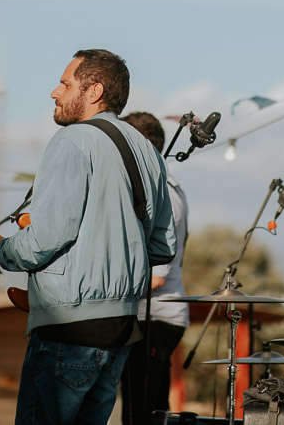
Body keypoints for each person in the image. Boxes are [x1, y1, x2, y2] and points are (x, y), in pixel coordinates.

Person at [0, 49, 176, 425]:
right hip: (123, 327)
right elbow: (163, 246)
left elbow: (45, 240)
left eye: (65, 83)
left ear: (94, 91)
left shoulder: (73, 140)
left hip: (69, 326)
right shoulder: (147, 150)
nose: (54, 93)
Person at [118, 111, 189, 425]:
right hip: (149, 317)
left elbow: (157, 278)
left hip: (155, 319)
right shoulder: (158, 190)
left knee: (141, 412)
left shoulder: (166, 197)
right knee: (144, 410)